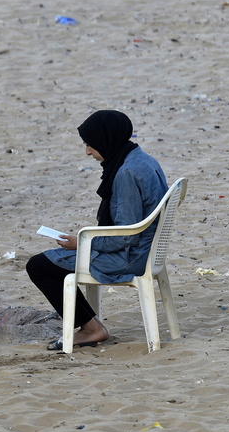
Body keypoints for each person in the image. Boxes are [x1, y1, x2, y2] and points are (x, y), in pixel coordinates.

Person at [26, 110, 168, 351]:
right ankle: (91, 325)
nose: (87, 152)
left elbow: (125, 235)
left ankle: (91, 329)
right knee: (49, 261)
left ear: (106, 141)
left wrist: (80, 243)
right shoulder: (140, 158)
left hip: (130, 258)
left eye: (91, 145)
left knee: (38, 266)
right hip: (146, 250)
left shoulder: (125, 173)